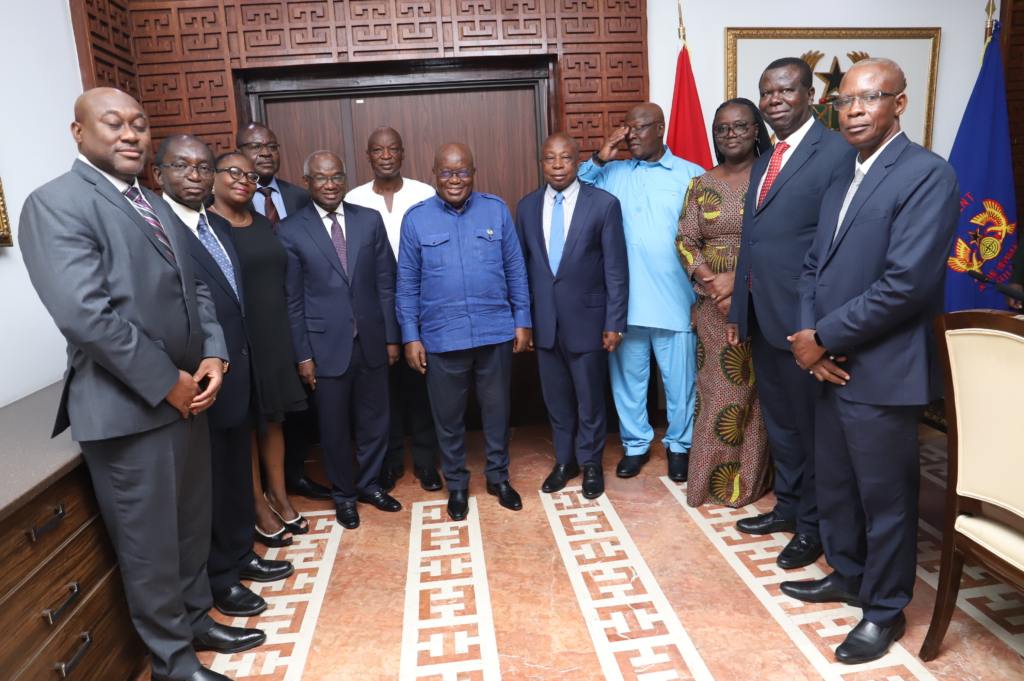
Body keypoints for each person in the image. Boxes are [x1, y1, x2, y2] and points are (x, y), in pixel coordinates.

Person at [19, 87, 262, 681]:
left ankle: (197, 621)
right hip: (129, 410)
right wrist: (167, 382)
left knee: (188, 530)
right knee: (149, 546)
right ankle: (172, 662)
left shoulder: (151, 202)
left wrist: (213, 354)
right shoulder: (55, 203)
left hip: (188, 399)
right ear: (79, 133)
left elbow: (196, 287)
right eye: (114, 123)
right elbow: (86, 316)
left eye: (139, 123)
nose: (130, 134)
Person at [782, 58, 960, 663]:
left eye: (871, 98)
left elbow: (905, 284)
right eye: (845, 101)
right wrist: (808, 338)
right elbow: (813, 267)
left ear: (899, 104)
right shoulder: (842, 177)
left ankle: (884, 610)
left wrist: (823, 337)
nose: (854, 110)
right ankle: (850, 574)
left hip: (882, 371)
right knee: (836, 485)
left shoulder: (927, 174)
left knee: (886, 500)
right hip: (829, 365)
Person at [154, 135, 295, 619]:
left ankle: (239, 555)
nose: (194, 175)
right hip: (194, 375)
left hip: (233, 363)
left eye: (202, 166)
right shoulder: (159, 226)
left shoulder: (216, 224)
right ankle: (219, 577)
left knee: (235, 469)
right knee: (208, 484)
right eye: (182, 166)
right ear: (158, 174)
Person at [726, 57, 856, 570]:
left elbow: (834, 246)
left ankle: (814, 527)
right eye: (767, 92)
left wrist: (817, 327)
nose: (774, 100)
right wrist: (740, 310)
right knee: (781, 426)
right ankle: (789, 507)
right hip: (763, 319)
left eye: (785, 90)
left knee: (812, 430)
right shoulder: (766, 158)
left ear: (810, 97)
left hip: (805, 324)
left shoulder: (836, 152)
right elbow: (751, 241)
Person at [396, 143, 533, 521]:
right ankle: (456, 483)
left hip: (495, 333)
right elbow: (406, 285)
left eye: (462, 172)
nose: (454, 180)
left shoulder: (496, 209)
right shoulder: (416, 218)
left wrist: (522, 320)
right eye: (446, 172)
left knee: (497, 412)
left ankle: (498, 477)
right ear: (434, 174)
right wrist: (410, 336)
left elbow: (515, 269)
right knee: (448, 418)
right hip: (442, 338)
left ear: (473, 172)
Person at [277, 151, 403, 530]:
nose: (330, 185)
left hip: (372, 340)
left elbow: (387, 283)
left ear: (345, 180)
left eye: (336, 177)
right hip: (324, 347)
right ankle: (344, 495)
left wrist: (392, 338)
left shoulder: (370, 219)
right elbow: (292, 300)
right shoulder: (290, 230)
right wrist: (303, 355)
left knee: (376, 420)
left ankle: (369, 485)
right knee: (333, 428)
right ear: (307, 182)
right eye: (321, 178)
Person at [578, 103, 704, 481]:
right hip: (624, 305)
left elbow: (707, 239)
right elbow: (574, 191)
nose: (631, 135)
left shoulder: (691, 174)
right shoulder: (611, 172)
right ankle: (635, 446)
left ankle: (679, 446)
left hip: (676, 300)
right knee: (628, 383)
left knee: (681, 384)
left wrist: (701, 298)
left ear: (660, 128)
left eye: (639, 128)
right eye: (626, 128)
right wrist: (602, 155)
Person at [515, 133, 628, 499]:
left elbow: (616, 269)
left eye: (565, 158)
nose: (558, 165)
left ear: (579, 162)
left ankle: (591, 463)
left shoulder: (604, 204)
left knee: (590, 398)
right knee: (557, 400)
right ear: (541, 163)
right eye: (550, 158)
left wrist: (614, 322)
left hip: (590, 321)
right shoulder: (527, 207)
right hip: (545, 322)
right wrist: (524, 321)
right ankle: (565, 462)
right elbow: (522, 269)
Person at [207, 151, 310, 548]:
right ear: (213, 177)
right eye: (233, 172)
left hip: (274, 335)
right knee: (248, 425)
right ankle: (256, 506)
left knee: (274, 418)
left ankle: (278, 494)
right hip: (239, 338)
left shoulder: (263, 223)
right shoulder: (207, 227)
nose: (243, 180)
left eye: (250, 176)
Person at [676, 99, 773, 507]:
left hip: (766, 297)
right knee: (718, 391)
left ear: (756, 130)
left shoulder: (773, 177)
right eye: (722, 128)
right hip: (712, 307)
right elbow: (685, 240)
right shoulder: (700, 184)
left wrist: (740, 287)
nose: (730, 134)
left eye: (740, 126)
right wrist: (714, 287)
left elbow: (783, 239)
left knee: (758, 392)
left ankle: (748, 480)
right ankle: (708, 482)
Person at [345, 126, 442, 492]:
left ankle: (426, 463)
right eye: (377, 150)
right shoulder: (353, 198)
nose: (385, 156)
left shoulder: (425, 192)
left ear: (403, 153)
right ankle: (390, 463)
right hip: (372, 310)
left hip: (422, 305)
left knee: (421, 387)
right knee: (381, 392)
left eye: (392, 149)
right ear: (368, 156)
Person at [236, 121, 329, 502]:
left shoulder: (301, 196)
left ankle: (294, 473)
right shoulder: (228, 199)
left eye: (271, 146)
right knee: (262, 406)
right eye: (254, 146)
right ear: (240, 152)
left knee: (303, 401)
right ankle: (261, 487)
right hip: (255, 319)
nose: (265, 152)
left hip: (302, 313)